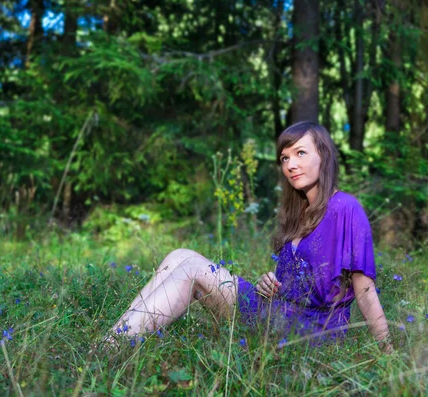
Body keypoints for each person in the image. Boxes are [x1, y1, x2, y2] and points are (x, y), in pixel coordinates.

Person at [108, 121, 392, 352]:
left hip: (311, 331)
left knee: (193, 269)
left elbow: (364, 289)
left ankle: (110, 348)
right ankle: (113, 340)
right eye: (285, 157)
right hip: (279, 312)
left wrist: (388, 355)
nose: (291, 164)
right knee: (179, 256)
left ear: (324, 156)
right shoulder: (299, 214)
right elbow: (296, 283)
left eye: (301, 153)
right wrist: (267, 283)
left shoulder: (345, 207)